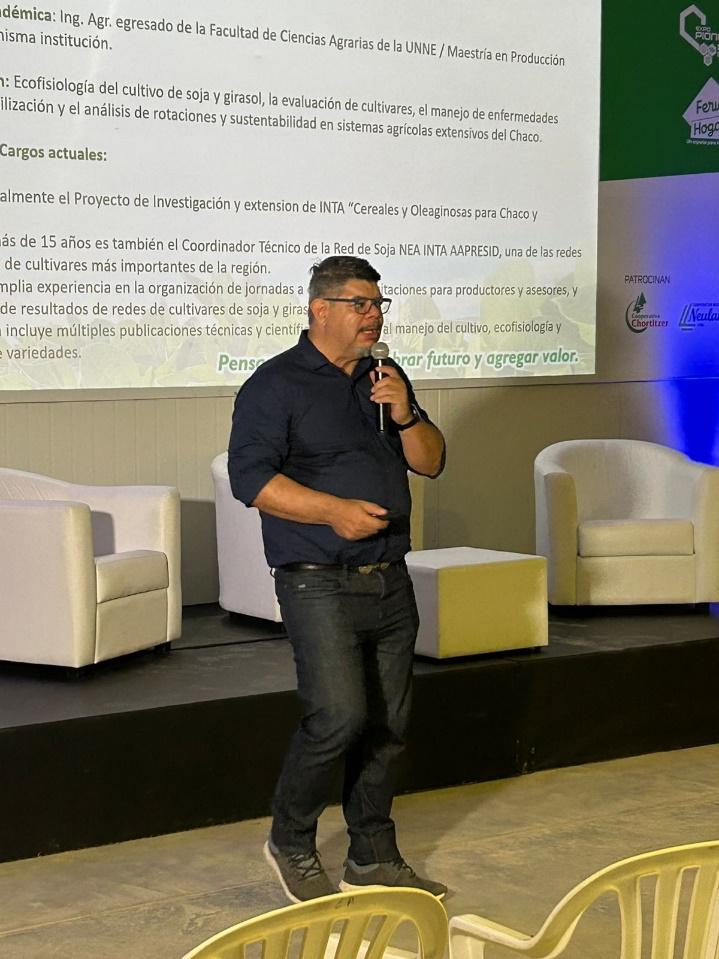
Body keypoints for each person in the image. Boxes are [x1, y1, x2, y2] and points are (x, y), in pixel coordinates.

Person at [228, 255, 446, 903]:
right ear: (319, 309)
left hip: (390, 577)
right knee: (338, 717)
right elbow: (251, 480)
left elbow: (431, 462)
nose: (373, 315)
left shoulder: (384, 377)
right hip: (317, 579)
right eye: (359, 303)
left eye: (378, 303)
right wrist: (333, 511)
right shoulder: (275, 384)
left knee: (388, 725)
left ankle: (372, 855)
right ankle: (290, 838)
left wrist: (405, 413)